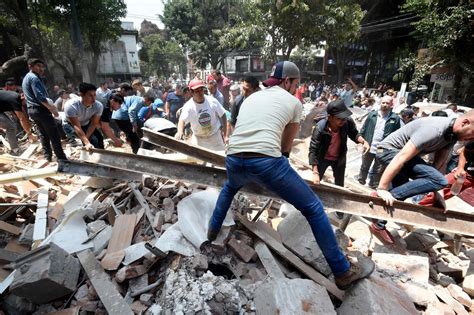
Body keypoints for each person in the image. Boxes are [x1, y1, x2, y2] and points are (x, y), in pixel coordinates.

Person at [208, 61, 374, 290]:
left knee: (229, 189)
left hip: (234, 158)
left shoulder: (251, 97)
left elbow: (241, 131)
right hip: (266, 161)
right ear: (287, 81)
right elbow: (285, 149)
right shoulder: (294, 103)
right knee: (314, 208)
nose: (297, 88)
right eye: (296, 83)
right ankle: (342, 271)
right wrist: (275, 175)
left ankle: (210, 234)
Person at [372, 110, 474, 244]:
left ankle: (378, 225)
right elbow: (400, 157)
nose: (471, 139)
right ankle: (377, 197)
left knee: (401, 192)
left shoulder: (451, 136)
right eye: (473, 134)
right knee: (438, 181)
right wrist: (382, 188)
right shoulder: (433, 129)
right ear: (465, 123)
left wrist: (438, 196)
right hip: (388, 151)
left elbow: (438, 167)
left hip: (402, 157)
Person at [309, 99, 370, 189]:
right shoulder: (320, 128)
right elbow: (313, 149)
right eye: (339, 118)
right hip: (322, 158)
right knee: (316, 183)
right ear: (330, 117)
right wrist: (315, 172)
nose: (342, 121)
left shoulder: (347, 122)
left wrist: (364, 142)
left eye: (344, 118)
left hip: (339, 159)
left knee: (339, 185)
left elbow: (354, 134)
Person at [22, 58, 67, 161]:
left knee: (43, 134)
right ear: (31, 66)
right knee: (54, 134)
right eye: (38, 66)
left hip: (32, 110)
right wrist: (52, 109)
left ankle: (48, 157)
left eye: (42, 66)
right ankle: (61, 158)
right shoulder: (34, 78)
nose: (41, 69)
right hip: (40, 109)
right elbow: (40, 97)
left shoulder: (27, 77)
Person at [357, 96, 401, 188]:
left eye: (387, 103)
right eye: (383, 103)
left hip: (381, 147)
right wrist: (361, 142)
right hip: (369, 144)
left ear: (391, 105)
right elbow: (364, 128)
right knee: (365, 165)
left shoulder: (395, 118)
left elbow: (397, 134)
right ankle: (361, 181)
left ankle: (373, 185)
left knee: (378, 168)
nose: (385, 105)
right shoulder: (372, 115)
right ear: (380, 103)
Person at [175, 79, 227, 151]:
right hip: (199, 139)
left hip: (215, 138)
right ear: (191, 92)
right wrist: (180, 132)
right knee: (198, 161)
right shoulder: (189, 106)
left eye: (201, 90)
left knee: (220, 159)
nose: (200, 93)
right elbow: (182, 120)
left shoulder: (212, 101)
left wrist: (225, 134)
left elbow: (223, 114)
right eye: (197, 91)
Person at [419, 141, 473, 207]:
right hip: (468, 175)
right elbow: (464, 151)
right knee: (441, 190)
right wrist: (460, 168)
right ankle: (419, 208)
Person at [63, 83, 104, 149]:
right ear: (81, 95)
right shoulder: (71, 106)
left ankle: (102, 156)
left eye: (94, 95)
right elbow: (76, 126)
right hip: (70, 124)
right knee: (79, 143)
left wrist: (86, 139)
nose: (93, 99)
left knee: (98, 139)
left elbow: (93, 124)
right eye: (90, 96)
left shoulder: (98, 106)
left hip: (85, 123)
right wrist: (86, 142)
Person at [0, 90, 37, 154]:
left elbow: (23, 113)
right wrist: (29, 134)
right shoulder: (15, 101)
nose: (27, 104)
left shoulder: (16, 96)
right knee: (11, 127)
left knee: (11, 126)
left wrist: (29, 125)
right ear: (23, 98)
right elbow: (21, 118)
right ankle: (15, 150)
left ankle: (13, 146)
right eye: (27, 102)